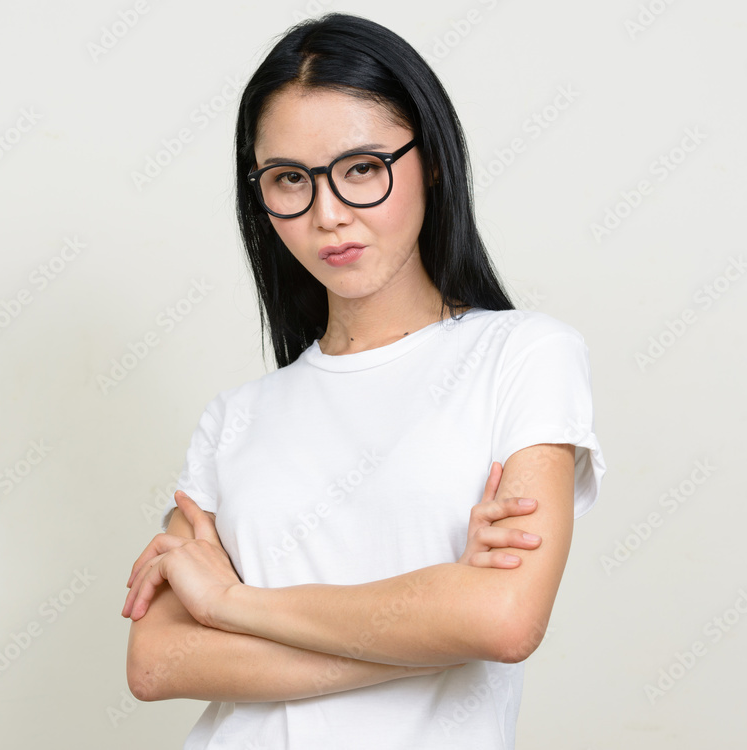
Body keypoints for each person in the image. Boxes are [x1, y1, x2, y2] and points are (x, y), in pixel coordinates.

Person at [122, 12, 606, 749]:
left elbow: (503, 620)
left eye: (361, 169)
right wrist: (431, 623)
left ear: (431, 160)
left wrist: (229, 602)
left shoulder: (522, 356)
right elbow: (156, 663)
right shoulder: (237, 419)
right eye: (289, 180)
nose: (328, 216)